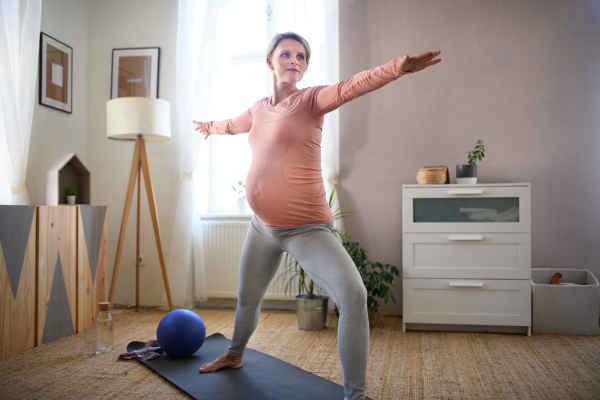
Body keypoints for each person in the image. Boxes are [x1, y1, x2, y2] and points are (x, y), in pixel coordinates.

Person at [193, 32, 441, 400]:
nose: (295, 60)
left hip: (306, 229)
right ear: (270, 62)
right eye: (287, 54)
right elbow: (231, 125)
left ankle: (354, 396)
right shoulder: (258, 108)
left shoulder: (310, 101)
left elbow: (351, 86)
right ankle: (234, 355)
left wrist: (398, 68)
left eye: (302, 56)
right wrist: (208, 127)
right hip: (262, 228)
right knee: (247, 298)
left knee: (353, 295)